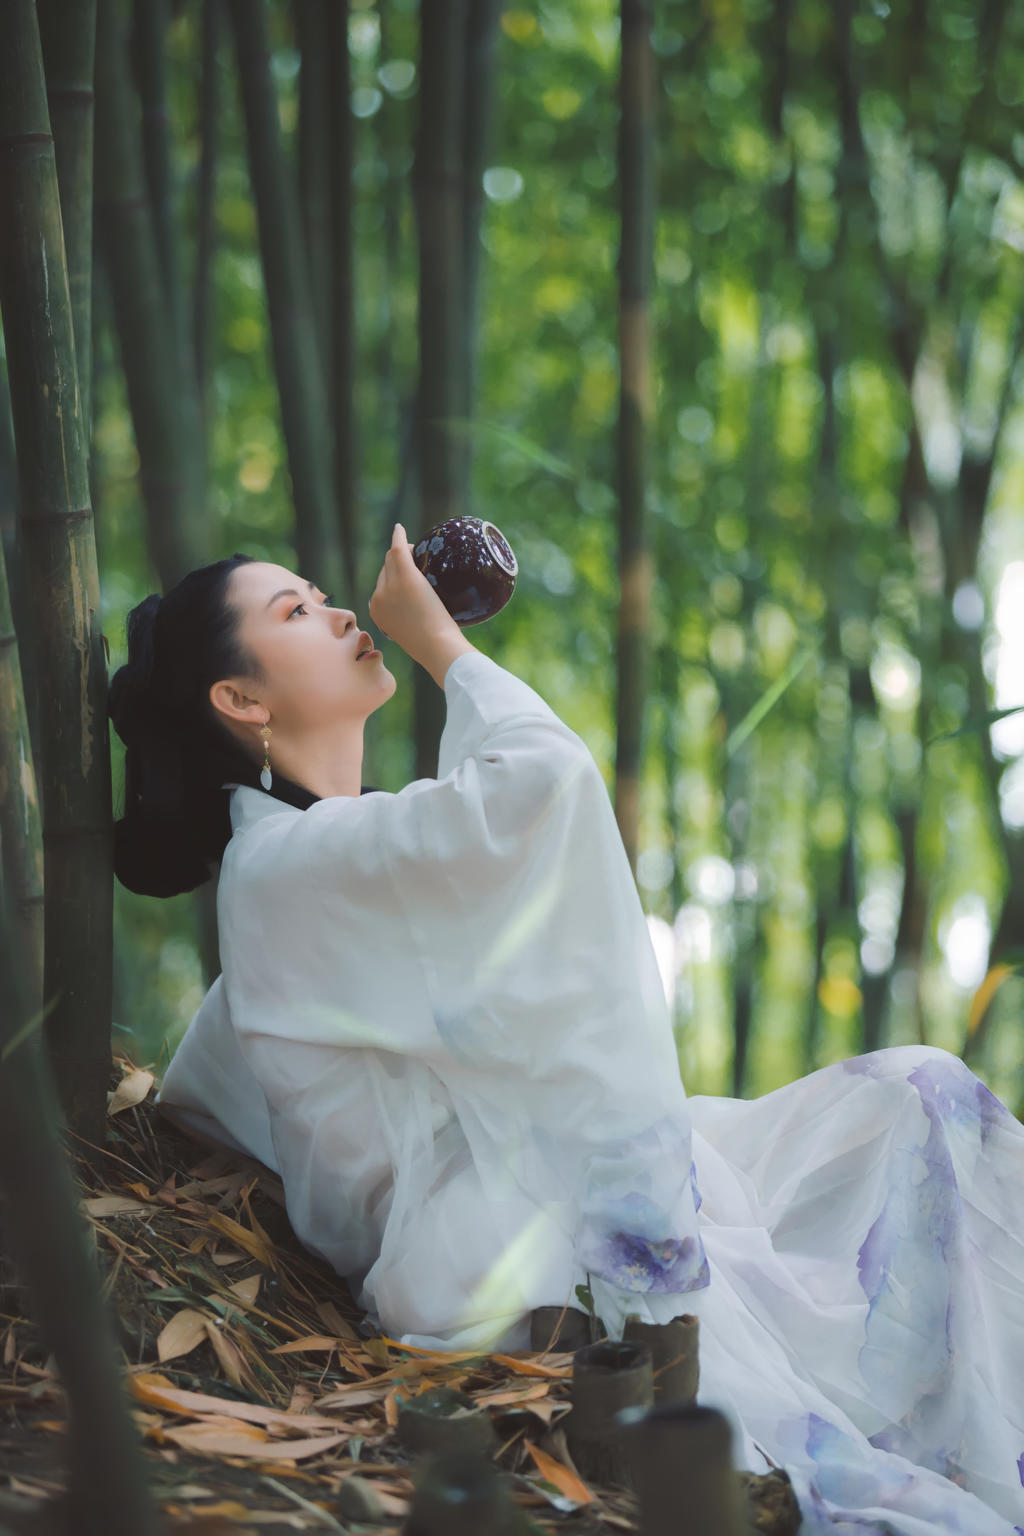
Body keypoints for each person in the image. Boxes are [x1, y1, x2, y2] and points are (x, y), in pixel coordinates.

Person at [110, 526, 1024, 1536]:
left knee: (916, 1099)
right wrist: (445, 650)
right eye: (294, 612)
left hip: (519, 1193)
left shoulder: (307, 860)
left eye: (323, 596)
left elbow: (217, 1079)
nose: (337, 613)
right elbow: (541, 793)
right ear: (240, 700)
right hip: (495, 1246)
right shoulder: (292, 865)